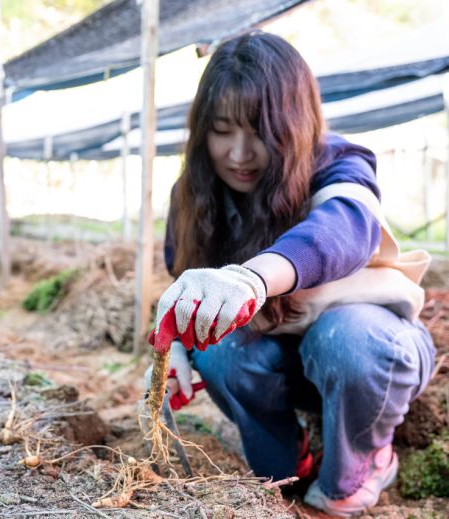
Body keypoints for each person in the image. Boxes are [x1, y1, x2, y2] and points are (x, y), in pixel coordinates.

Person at [148, 32, 435, 517]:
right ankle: (285, 467)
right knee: (218, 349)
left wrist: (253, 278)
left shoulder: (337, 163)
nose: (239, 153)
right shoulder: (193, 194)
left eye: (260, 131)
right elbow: (185, 279)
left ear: (295, 123)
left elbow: (344, 227)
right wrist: (173, 345)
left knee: (349, 337)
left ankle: (359, 468)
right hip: (285, 363)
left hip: (368, 356)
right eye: (222, 130)